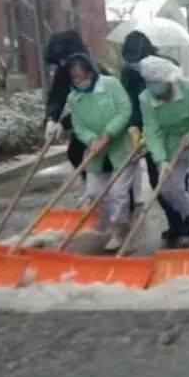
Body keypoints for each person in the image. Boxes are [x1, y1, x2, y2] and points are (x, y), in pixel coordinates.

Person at [137, 56, 189, 248]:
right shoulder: (145, 99)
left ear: (170, 82)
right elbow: (151, 129)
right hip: (170, 145)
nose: (159, 94)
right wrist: (160, 159)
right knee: (167, 188)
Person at [119, 31, 189, 244]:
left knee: (178, 180)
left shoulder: (166, 65)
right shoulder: (129, 73)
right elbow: (130, 101)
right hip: (148, 130)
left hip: (173, 129)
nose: (134, 64)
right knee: (157, 179)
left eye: (136, 60)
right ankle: (175, 222)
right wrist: (134, 129)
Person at [63, 53, 136, 251]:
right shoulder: (74, 98)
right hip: (96, 153)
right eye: (74, 78)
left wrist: (108, 133)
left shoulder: (110, 85)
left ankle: (119, 231)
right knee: (96, 192)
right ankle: (115, 224)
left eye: (80, 76)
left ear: (89, 72)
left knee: (118, 193)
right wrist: (91, 139)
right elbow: (77, 125)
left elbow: (124, 109)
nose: (78, 81)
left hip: (121, 149)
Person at [43, 30, 93, 169]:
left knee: (102, 156)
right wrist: (51, 118)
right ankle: (91, 183)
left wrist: (64, 124)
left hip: (104, 121)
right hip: (83, 123)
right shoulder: (63, 69)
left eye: (64, 60)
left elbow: (88, 105)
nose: (62, 64)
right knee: (75, 153)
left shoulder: (92, 71)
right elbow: (57, 95)